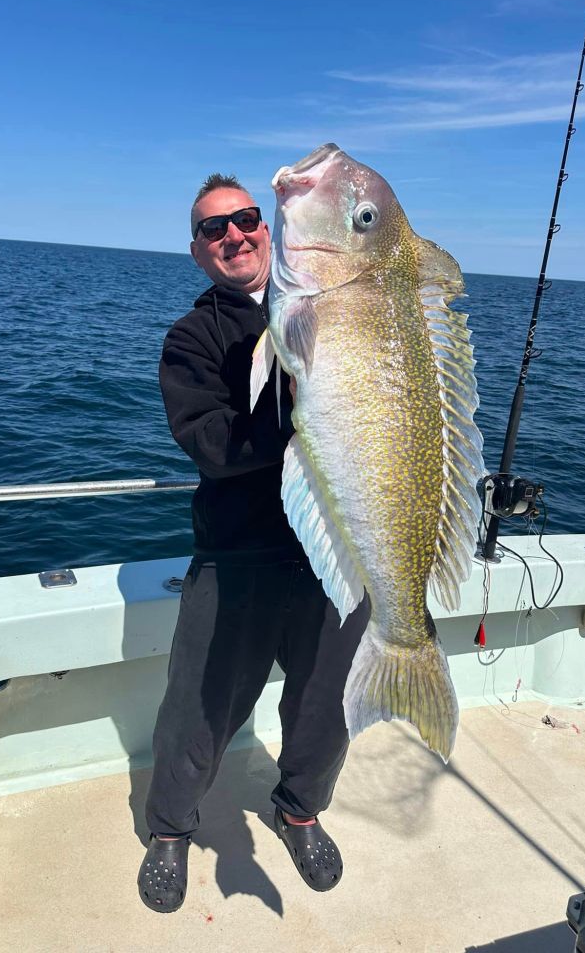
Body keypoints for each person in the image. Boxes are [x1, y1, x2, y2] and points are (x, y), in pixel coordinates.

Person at [137, 173, 369, 913]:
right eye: (214, 229)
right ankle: (170, 828)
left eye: (245, 219)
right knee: (198, 708)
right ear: (199, 252)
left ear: (269, 228)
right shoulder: (192, 338)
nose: (234, 235)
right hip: (238, 555)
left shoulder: (335, 302)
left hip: (334, 547)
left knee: (325, 706)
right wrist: (302, 412)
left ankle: (299, 810)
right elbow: (209, 444)